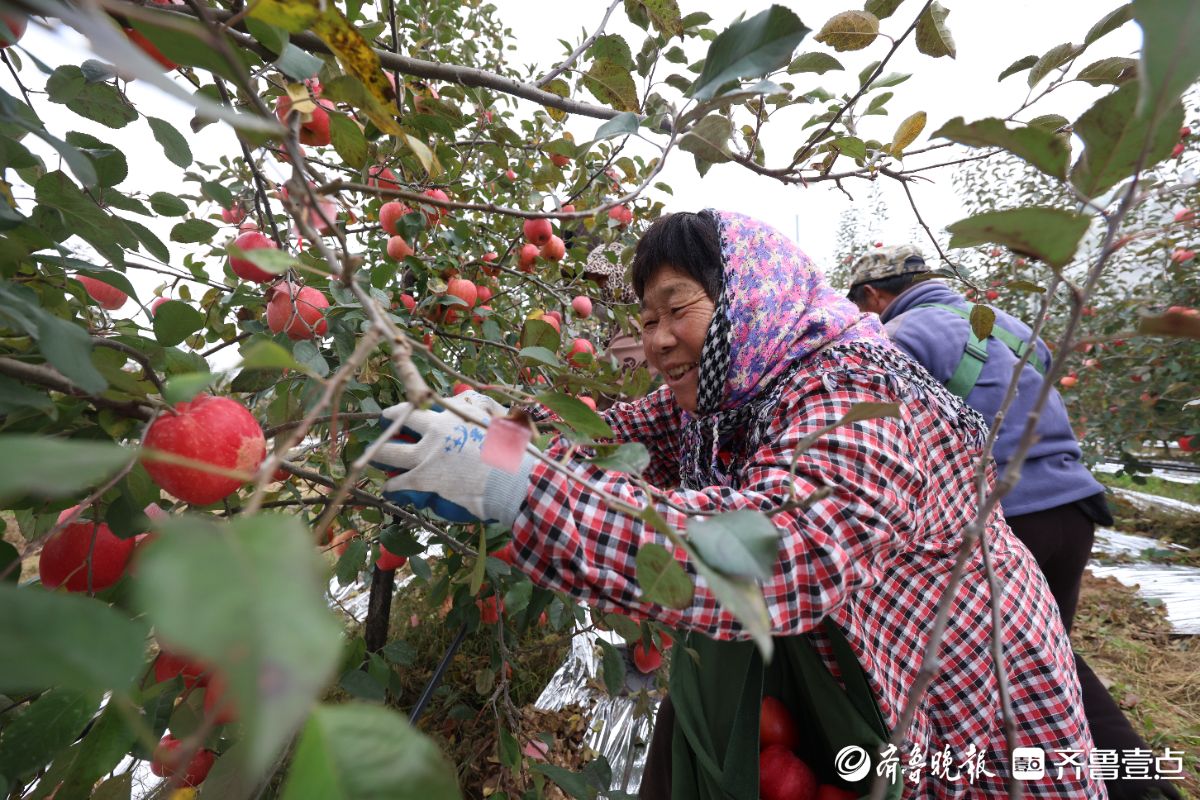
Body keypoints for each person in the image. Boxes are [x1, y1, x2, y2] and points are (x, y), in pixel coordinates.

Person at [375, 212, 1103, 798]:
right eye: (646, 316)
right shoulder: (725, 395)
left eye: (677, 308)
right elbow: (611, 438)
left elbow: (783, 550)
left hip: (959, 675)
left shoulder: (856, 388)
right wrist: (498, 434)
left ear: (750, 296)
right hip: (847, 670)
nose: (658, 340)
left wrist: (517, 487)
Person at [847, 246, 1178, 800]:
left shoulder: (901, 333)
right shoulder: (1015, 328)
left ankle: (1132, 790)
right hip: (1075, 510)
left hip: (1005, 522)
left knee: (1032, 674)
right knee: (1049, 665)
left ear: (874, 296)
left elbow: (880, 429)